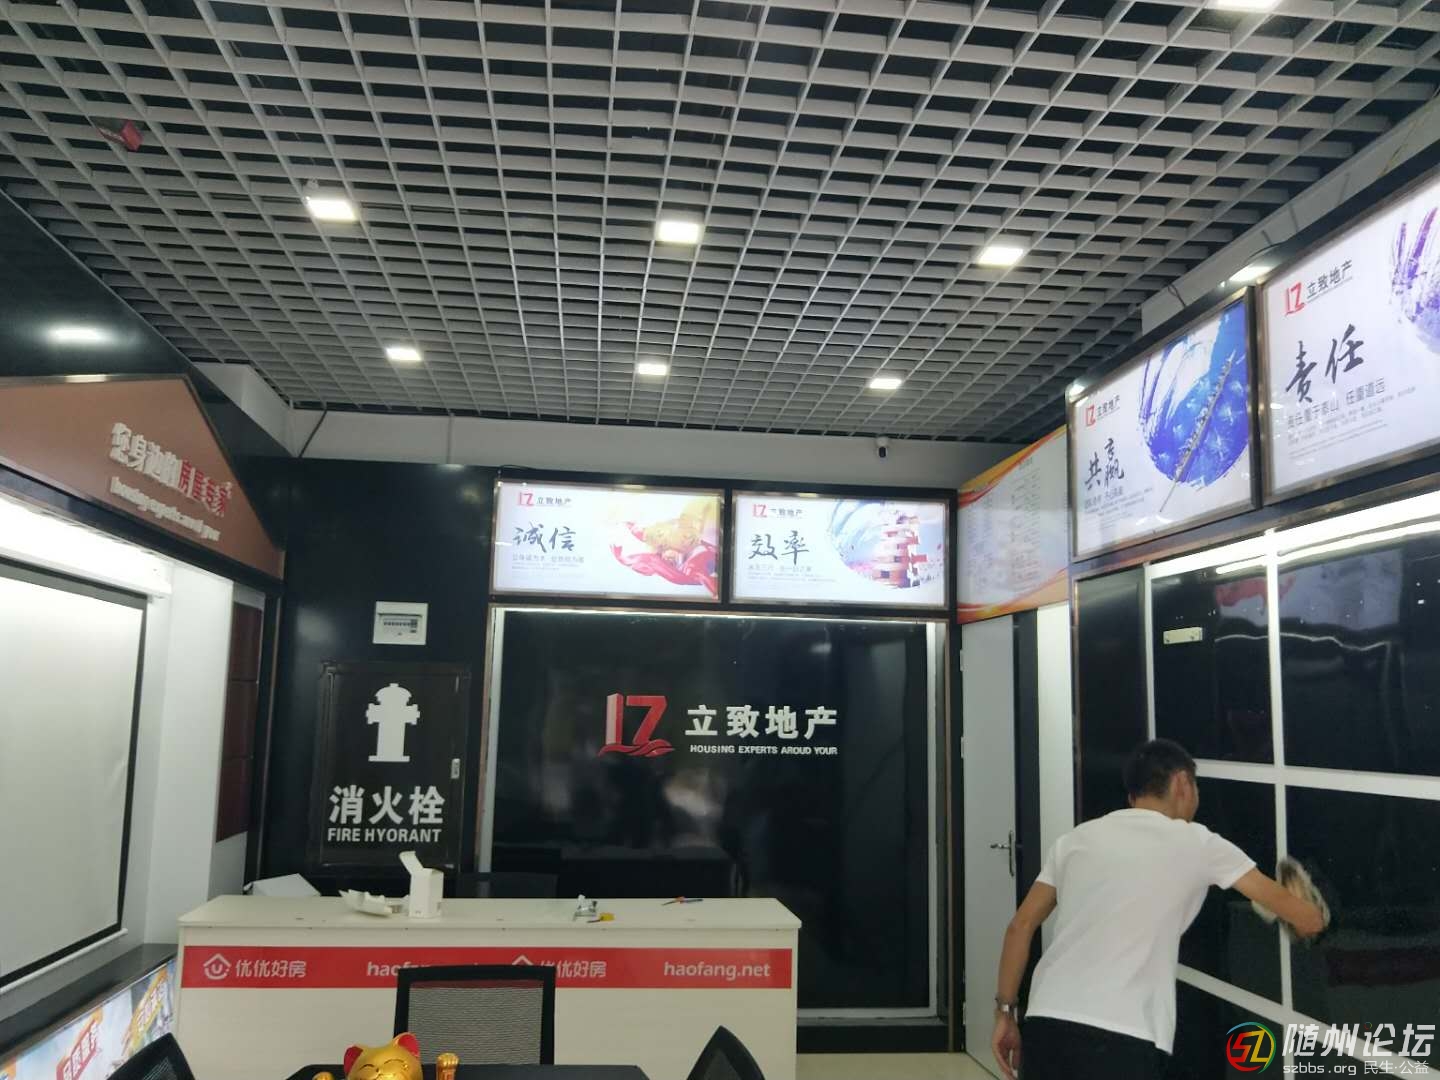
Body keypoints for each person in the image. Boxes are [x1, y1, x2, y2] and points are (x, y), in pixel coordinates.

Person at [990, 738, 1326, 1080]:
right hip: (1124, 1034)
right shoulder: (1199, 843)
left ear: (1132, 796)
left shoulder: (1074, 840)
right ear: (1182, 783)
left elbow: (1020, 926)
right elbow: (1308, 920)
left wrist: (1004, 1012)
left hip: (1047, 1022)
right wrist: (1300, 890)